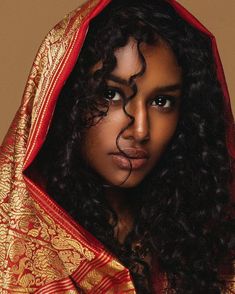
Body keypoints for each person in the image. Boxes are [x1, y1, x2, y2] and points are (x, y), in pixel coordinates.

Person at [0, 0, 234, 293]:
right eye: (111, 94)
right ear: (65, 98)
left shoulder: (205, 232)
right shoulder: (10, 238)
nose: (140, 130)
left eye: (162, 102)